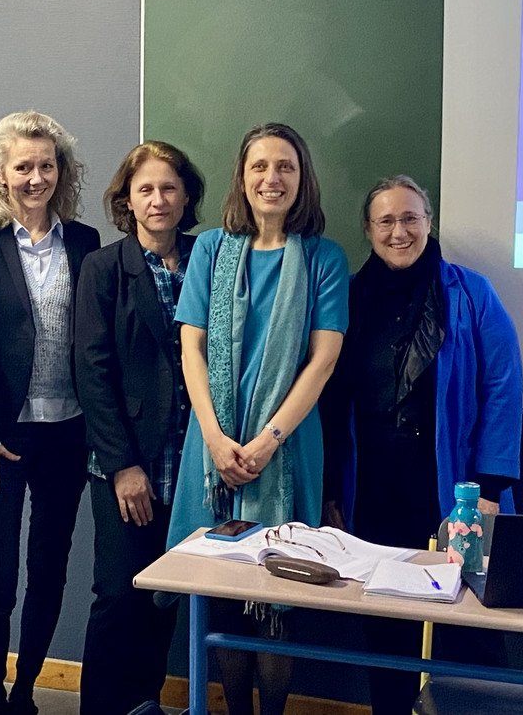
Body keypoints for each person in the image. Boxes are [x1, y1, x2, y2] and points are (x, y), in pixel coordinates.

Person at [322, 175, 522, 714]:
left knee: (472, 632)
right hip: (373, 496)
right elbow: (331, 400)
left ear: (429, 223)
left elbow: (503, 385)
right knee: (388, 631)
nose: (399, 231)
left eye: (410, 218)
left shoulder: (471, 294)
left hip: (459, 498)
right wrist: (331, 491)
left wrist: (490, 489)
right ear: (368, 230)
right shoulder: (348, 298)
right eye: (386, 220)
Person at [166, 123, 349, 715]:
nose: (272, 178)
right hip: (212, 443)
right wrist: (216, 439)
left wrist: (267, 442)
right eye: (260, 167)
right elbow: (191, 349)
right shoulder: (210, 249)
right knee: (221, 596)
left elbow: (323, 361)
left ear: (302, 178)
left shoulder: (324, 258)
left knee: (277, 600)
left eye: (285, 167)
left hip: (289, 447)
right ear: (242, 178)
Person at [0, 111, 100, 715]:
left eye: (46, 165)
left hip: (67, 431)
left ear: (61, 171)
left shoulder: (84, 242)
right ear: (0, 173)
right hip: (0, 439)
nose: (36, 178)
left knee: (49, 568)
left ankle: (27, 688)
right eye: (23, 167)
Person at [76, 141, 206, 715]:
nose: (158, 200)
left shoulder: (207, 259)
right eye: (145, 189)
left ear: (186, 196)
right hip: (127, 460)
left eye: (169, 188)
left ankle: (144, 705)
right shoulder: (104, 267)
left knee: (165, 595)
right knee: (119, 594)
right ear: (126, 199)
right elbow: (92, 369)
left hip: (194, 456)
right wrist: (123, 466)